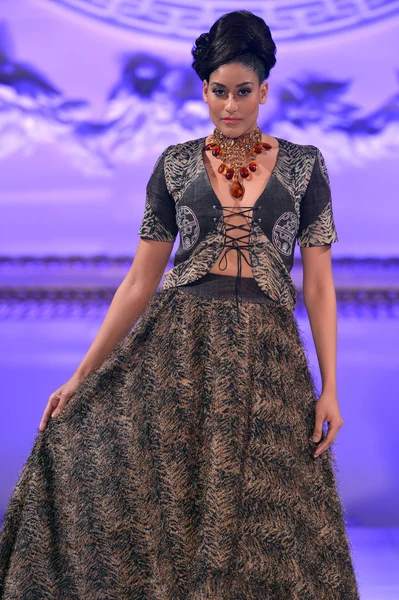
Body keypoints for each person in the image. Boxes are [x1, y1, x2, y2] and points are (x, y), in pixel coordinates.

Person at [0, 10, 360, 600]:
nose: (230, 106)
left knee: (268, 521)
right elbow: (140, 281)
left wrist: (331, 387)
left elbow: (318, 286)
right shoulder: (173, 164)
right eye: (219, 91)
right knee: (171, 513)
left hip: (268, 362)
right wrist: (80, 374)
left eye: (244, 91)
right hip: (177, 351)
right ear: (204, 90)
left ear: (264, 89)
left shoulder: (305, 166)